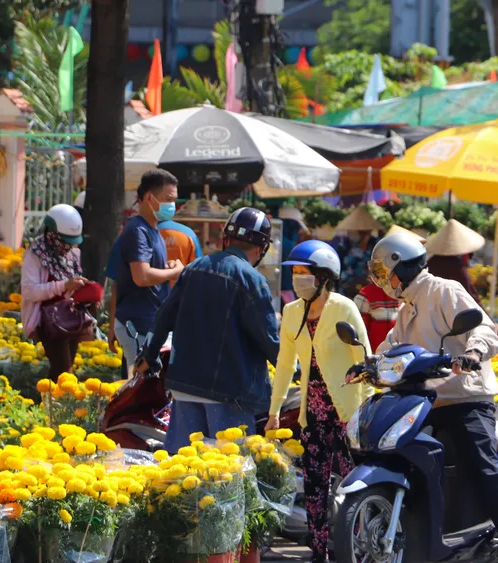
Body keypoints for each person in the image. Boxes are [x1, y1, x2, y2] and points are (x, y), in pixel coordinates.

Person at [362, 233, 498, 563]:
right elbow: (390, 349)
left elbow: (484, 329)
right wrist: (368, 365)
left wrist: (473, 351)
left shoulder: (444, 290)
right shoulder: (406, 309)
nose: (380, 280)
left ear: (399, 265)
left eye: (382, 271)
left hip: (465, 399)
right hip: (424, 403)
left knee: (483, 466)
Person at [137, 207, 281, 452]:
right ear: (261, 248)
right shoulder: (252, 279)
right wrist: (295, 371)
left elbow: (163, 317)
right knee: (228, 477)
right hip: (230, 393)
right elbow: (268, 339)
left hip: (184, 387)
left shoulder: (192, 269)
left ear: (226, 238)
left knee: (182, 475)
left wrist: (147, 357)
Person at [265, 240, 371, 563]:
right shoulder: (292, 311)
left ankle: (363, 547)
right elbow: (285, 364)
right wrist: (273, 411)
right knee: (314, 489)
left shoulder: (344, 308)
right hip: (312, 417)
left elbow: (364, 357)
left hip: (347, 415)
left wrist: (364, 412)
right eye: (294, 272)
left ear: (324, 277)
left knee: (355, 487)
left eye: (304, 272)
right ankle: (318, 553)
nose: (297, 278)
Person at [108, 170, 185, 366]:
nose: (172, 205)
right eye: (168, 199)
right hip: (138, 327)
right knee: (140, 389)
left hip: (149, 325)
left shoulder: (152, 229)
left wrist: (168, 268)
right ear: (149, 197)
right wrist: (175, 272)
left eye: (174, 200)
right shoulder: (138, 231)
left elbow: (147, 272)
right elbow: (141, 277)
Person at [21, 204, 91, 378]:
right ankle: (56, 402)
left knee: (64, 371)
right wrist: (64, 285)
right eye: (65, 241)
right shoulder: (35, 253)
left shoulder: (73, 253)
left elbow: (72, 286)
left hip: (71, 319)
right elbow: (29, 291)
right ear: (52, 234)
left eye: (72, 242)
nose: (69, 247)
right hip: (48, 321)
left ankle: (52, 403)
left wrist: (87, 292)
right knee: (63, 371)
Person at [426, 219, 498, 342]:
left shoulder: (431, 263)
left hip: (430, 321)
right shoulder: (455, 266)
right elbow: (471, 298)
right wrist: (494, 326)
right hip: (449, 324)